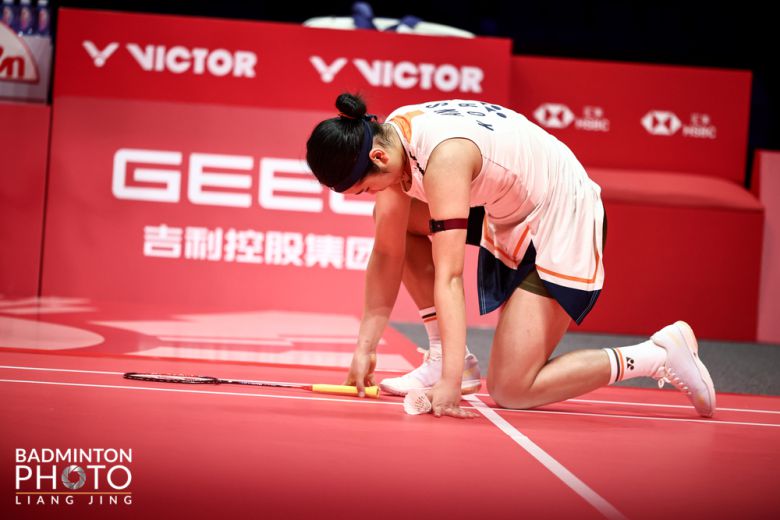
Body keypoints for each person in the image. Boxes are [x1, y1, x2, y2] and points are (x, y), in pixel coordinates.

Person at [305, 93, 716, 419]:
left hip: (559, 212)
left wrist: (450, 385)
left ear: (377, 158)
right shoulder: (391, 135)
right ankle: (445, 357)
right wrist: (365, 346)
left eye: (366, 188)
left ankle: (657, 354)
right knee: (392, 221)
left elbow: (450, 276)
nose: (372, 194)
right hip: (508, 204)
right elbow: (386, 251)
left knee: (512, 388)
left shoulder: (443, 158)